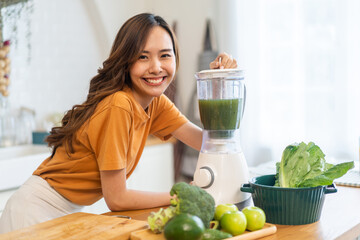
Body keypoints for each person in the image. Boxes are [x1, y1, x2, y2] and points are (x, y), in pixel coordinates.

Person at [0, 13, 237, 233]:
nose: (156, 67)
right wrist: (181, 195)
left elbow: (211, 142)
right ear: (126, 61)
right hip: (35, 211)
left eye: (165, 55)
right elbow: (117, 199)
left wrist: (219, 83)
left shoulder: (154, 103)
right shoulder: (119, 105)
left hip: (67, 212)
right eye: (142, 57)